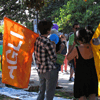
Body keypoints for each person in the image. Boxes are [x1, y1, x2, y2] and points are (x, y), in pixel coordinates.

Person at [66, 28, 98, 100]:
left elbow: (68, 57)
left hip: (81, 77)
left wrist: (73, 45)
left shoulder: (77, 49)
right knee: (92, 95)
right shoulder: (92, 47)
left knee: (82, 97)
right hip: (92, 75)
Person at [34, 20, 58, 100]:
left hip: (40, 69)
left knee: (41, 92)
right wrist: (54, 47)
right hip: (49, 70)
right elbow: (54, 58)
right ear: (48, 30)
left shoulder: (37, 40)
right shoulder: (48, 42)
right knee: (49, 94)